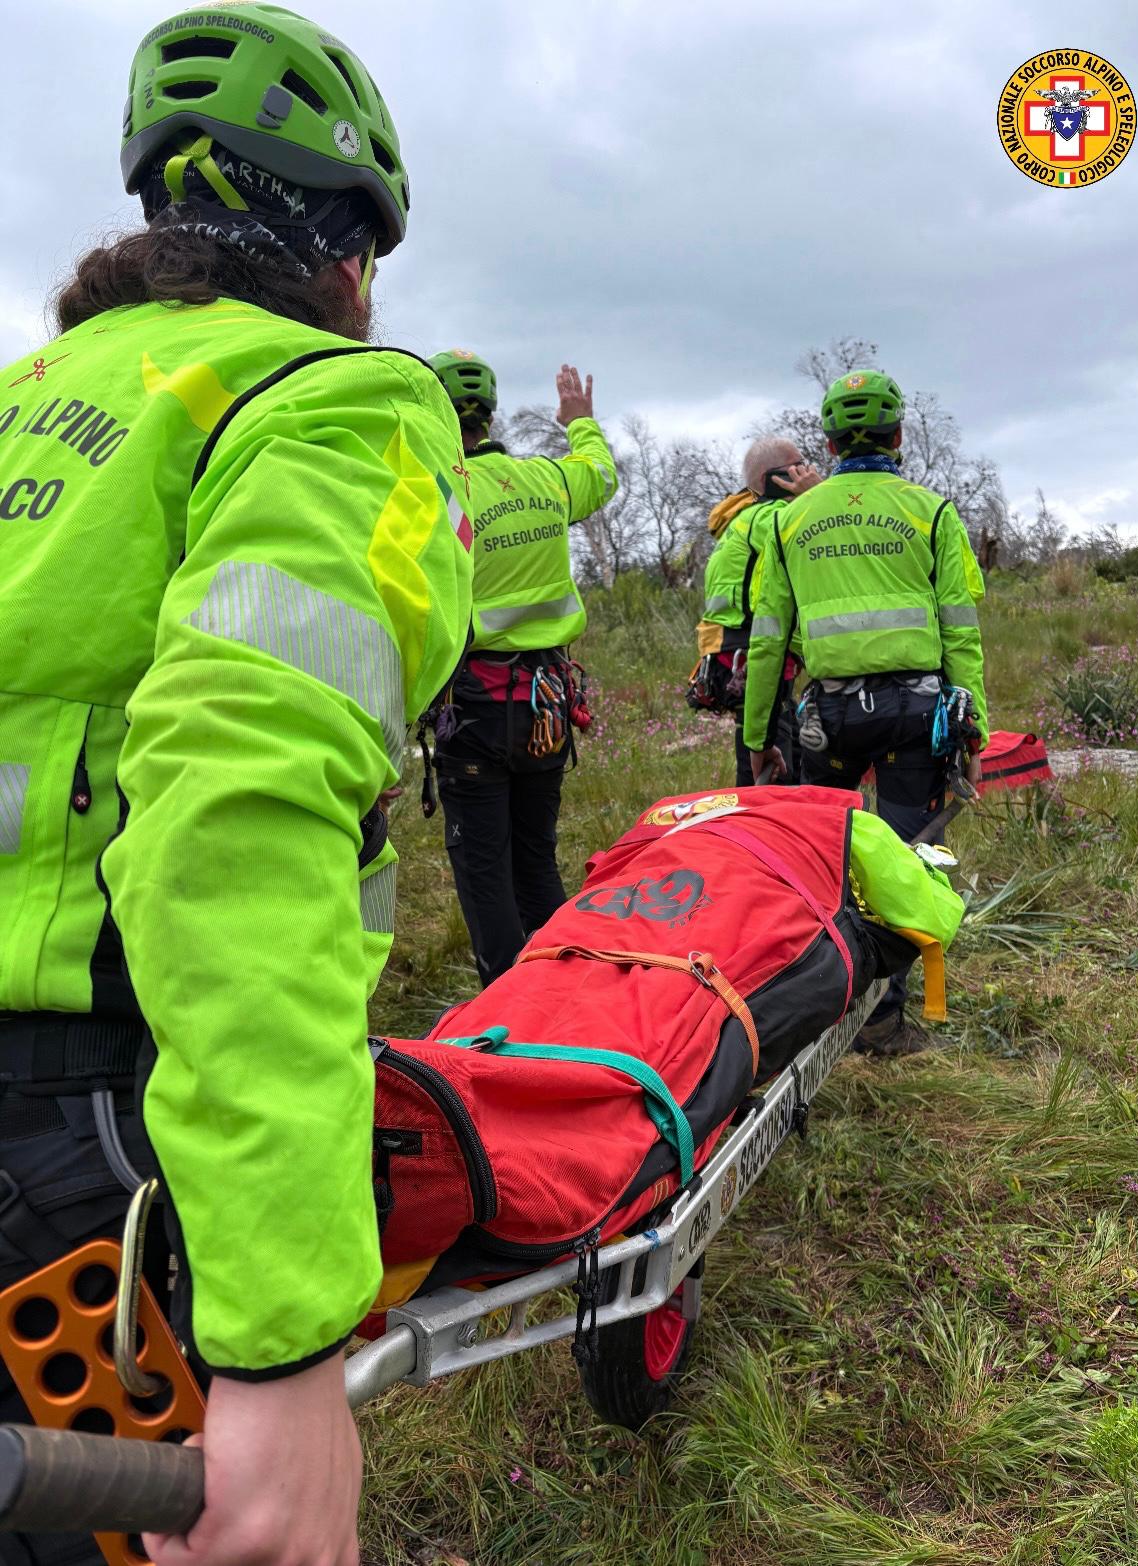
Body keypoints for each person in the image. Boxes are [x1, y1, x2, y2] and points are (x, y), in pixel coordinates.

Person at [0, 8, 472, 1565]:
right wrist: (276, 1343)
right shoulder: (329, 399)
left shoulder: (27, 406)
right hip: (89, 1137)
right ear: (345, 257)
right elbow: (232, 810)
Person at [742, 369, 988, 1056]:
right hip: (918, 712)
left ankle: (815, 1002)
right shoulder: (931, 512)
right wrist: (976, 730)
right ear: (900, 434)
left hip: (827, 720)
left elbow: (768, 643)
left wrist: (759, 736)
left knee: (823, 860)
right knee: (908, 858)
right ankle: (884, 1020)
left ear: (826, 442)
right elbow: (962, 630)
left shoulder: (787, 522)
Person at [428, 351, 618, 986]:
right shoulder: (547, 480)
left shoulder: (438, 493)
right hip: (547, 702)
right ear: (490, 411)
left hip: (476, 708)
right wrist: (579, 421)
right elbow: (599, 473)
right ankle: (570, 994)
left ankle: (510, 1016)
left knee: (485, 871)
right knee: (536, 858)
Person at [693, 437, 820, 784]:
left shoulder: (745, 519)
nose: (809, 471)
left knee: (785, 750)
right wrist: (817, 495)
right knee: (766, 765)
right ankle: (756, 829)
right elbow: (829, 532)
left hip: (738, 650)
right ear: (773, 478)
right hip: (756, 656)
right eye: (800, 466)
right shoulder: (771, 517)